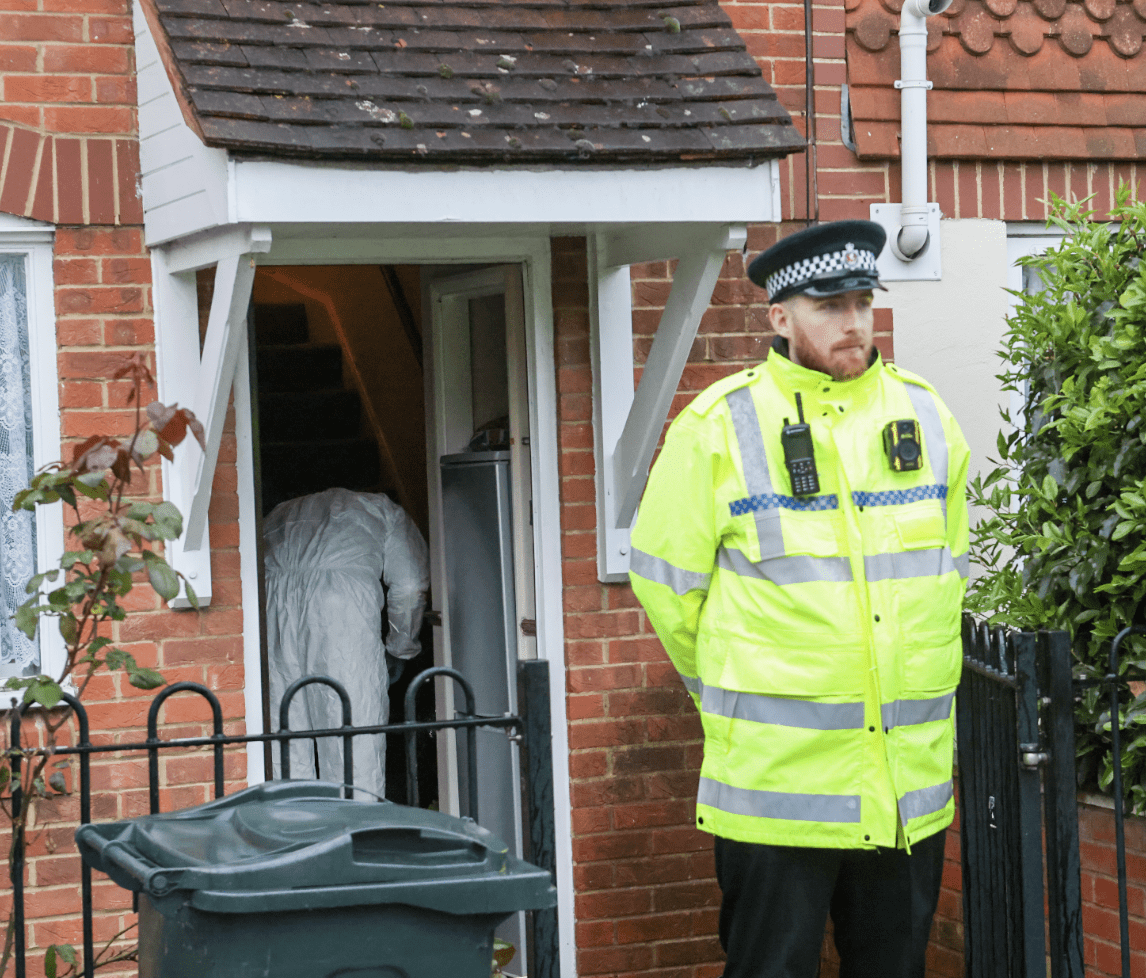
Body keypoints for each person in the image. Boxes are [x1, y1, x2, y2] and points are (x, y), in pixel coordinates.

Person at [629, 221, 970, 978]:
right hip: (777, 793)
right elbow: (666, 584)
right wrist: (734, 684)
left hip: (904, 798)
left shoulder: (927, 419)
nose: (852, 323)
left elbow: (948, 571)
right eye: (829, 306)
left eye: (861, 302)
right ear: (779, 318)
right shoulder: (718, 427)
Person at [264, 487, 430, 798]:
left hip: (273, 607)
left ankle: (296, 837)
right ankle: (356, 836)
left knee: (285, 741)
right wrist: (400, 647)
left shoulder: (279, 513)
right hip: (342, 609)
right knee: (352, 738)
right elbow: (409, 585)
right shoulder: (382, 510)